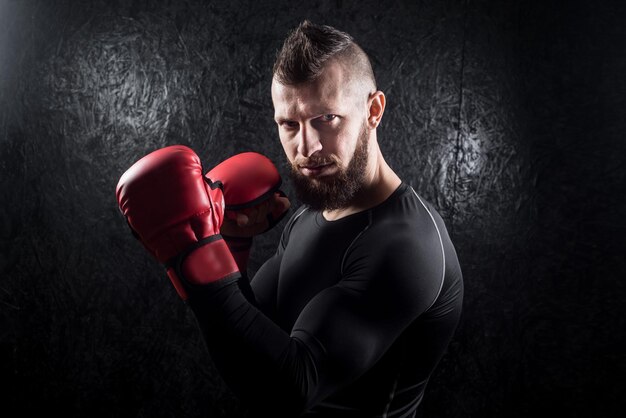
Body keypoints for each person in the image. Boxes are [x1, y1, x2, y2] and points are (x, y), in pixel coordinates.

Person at [117, 20, 463, 418]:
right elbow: (257, 343)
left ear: (373, 110)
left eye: (326, 119)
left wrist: (194, 254)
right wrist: (226, 246)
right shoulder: (308, 218)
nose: (307, 147)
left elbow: (290, 389)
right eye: (289, 124)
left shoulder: (405, 245)